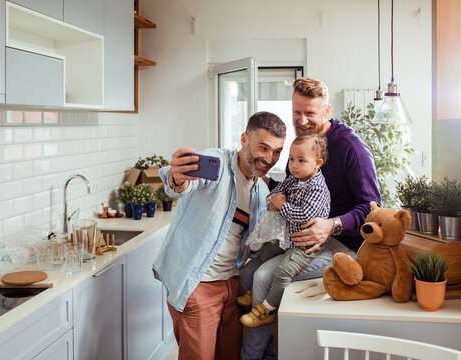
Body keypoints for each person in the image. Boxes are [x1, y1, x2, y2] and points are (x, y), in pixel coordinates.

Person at [240, 77, 382, 360]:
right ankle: (265, 353)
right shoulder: (304, 144)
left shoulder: (351, 148)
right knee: (245, 272)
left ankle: (250, 357)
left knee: (264, 276)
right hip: (302, 239)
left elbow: (374, 209)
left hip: (344, 247)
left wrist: (332, 225)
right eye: (296, 112)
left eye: (310, 114)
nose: (302, 120)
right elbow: (293, 188)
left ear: (326, 112)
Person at [152, 111, 286, 360]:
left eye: (277, 151)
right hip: (198, 285)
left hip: (232, 286)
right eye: (263, 147)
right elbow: (182, 183)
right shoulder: (217, 164)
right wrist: (177, 178)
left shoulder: (262, 189)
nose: (269, 158)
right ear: (245, 139)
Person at [238, 132, 330, 328]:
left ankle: (267, 309)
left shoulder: (318, 188)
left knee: (282, 272)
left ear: (317, 163)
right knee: (266, 252)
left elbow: (305, 214)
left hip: (306, 244)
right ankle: (255, 291)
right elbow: (278, 190)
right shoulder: (295, 178)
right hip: (289, 237)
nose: (294, 165)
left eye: (301, 160)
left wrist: (282, 206)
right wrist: (273, 201)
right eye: (291, 159)